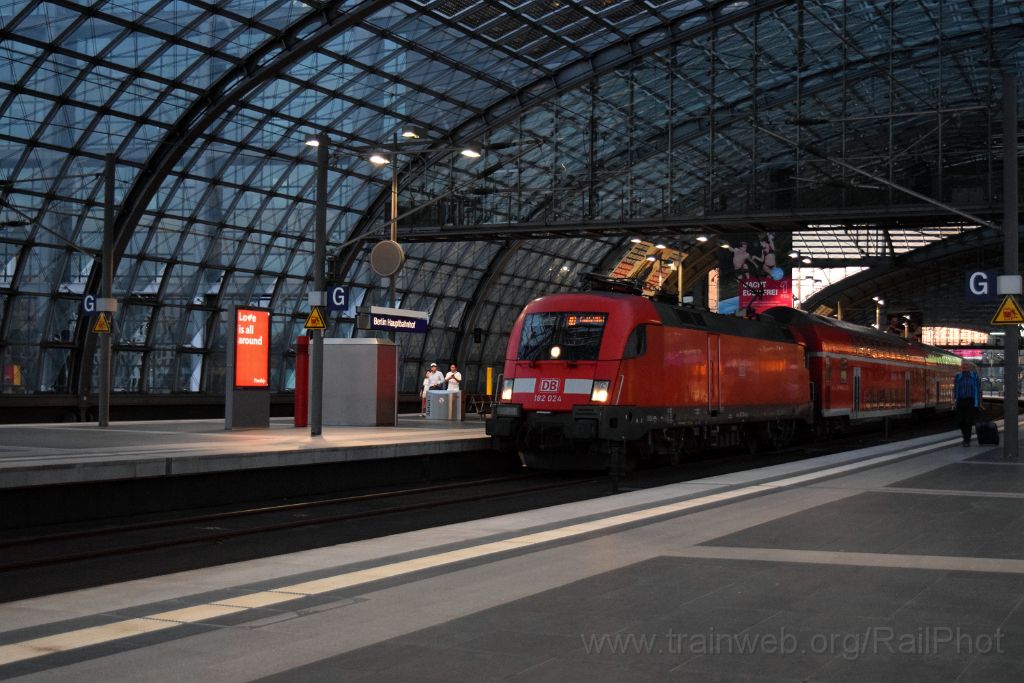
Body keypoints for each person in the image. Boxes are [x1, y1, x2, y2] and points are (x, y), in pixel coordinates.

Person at [953, 361, 981, 446]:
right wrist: (954, 399)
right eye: (963, 366)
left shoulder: (974, 376)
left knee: (968, 421)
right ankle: (965, 435)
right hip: (960, 400)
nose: (965, 367)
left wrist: (978, 403)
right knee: (960, 421)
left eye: (966, 365)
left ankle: (966, 440)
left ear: (969, 367)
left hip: (971, 401)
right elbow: (954, 389)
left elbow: (978, 389)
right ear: (961, 367)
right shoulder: (958, 376)